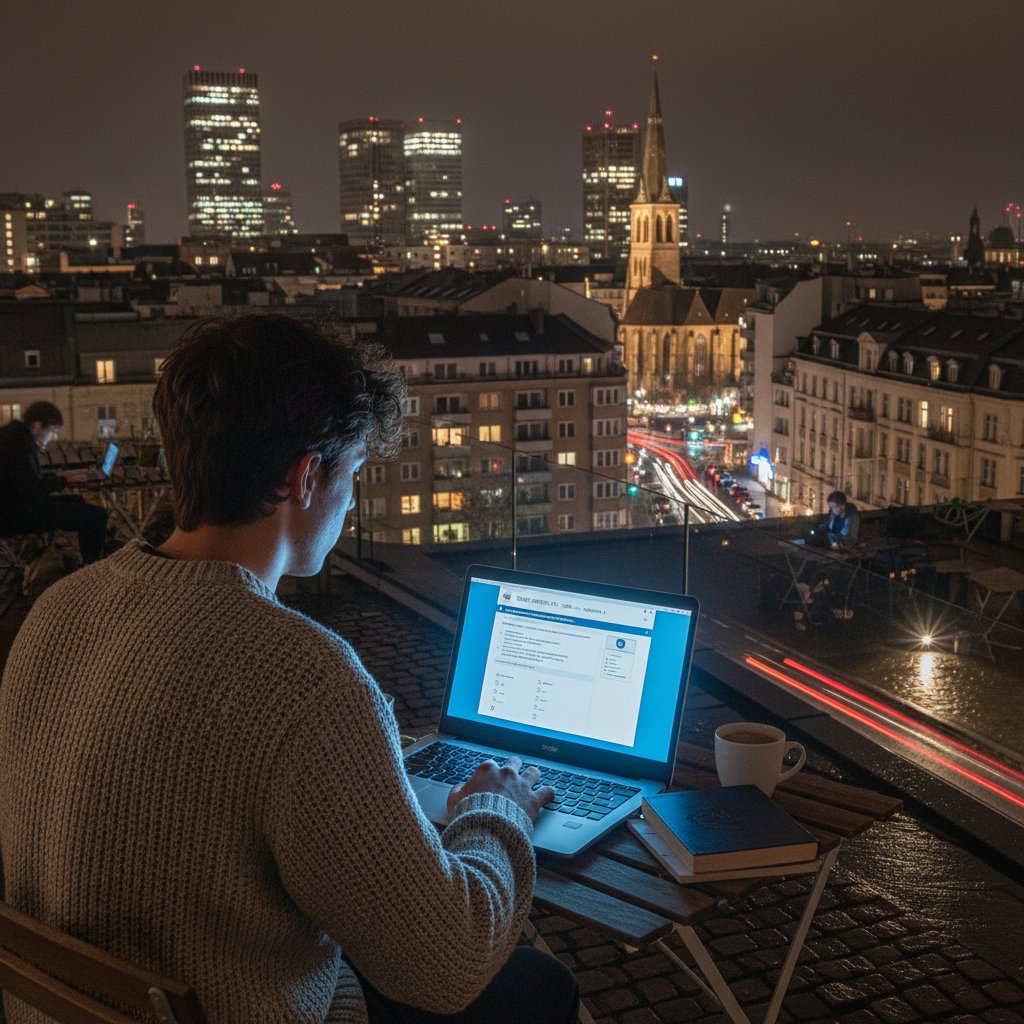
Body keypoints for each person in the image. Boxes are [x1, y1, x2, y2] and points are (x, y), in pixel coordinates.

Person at [0, 315, 579, 1024]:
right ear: (308, 477)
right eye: (356, 473)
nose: (353, 500)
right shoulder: (306, 679)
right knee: (538, 986)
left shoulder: (59, 609)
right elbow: (447, 963)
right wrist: (498, 810)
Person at [0, 401, 109, 564]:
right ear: (37, 426)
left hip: (14, 506)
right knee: (97, 516)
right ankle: (92, 568)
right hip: (13, 515)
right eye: (52, 432)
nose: (51, 437)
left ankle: (83, 558)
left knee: (77, 501)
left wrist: (58, 477)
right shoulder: (19, 443)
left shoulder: (14, 435)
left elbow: (25, 479)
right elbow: (31, 490)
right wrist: (63, 480)